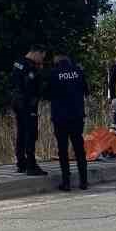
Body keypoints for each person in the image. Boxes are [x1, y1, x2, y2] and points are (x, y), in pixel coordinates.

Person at [46, 53, 90, 191]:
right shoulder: (78, 71)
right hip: (76, 116)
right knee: (79, 149)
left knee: (63, 150)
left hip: (60, 118)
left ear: (57, 60)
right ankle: (84, 181)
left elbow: (46, 94)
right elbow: (86, 90)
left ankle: (67, 183)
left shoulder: (53, 73)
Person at [9, 48, 45, 175]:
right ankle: (31, 165)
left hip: (16, 101)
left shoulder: (17, 63)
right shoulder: (30, 67)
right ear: (36, 53)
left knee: (21, 132)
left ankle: (21, 163)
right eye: (42, 56)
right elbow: (31, 87)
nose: (42, 60)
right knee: (30, 133)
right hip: (27, 104)